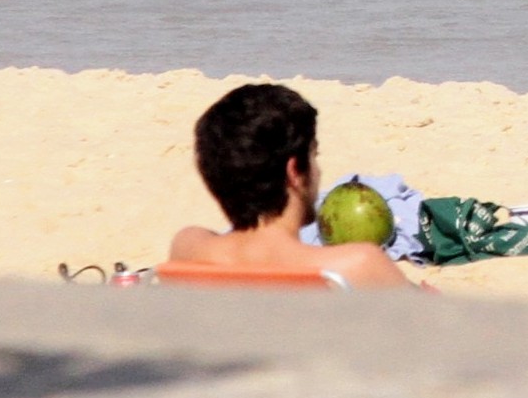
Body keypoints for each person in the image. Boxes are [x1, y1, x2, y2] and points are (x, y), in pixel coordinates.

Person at [170, 83, 411, 289]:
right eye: (314, 156)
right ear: (294, 171)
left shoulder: (189, 249)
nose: (318, 171)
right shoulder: (358, 266)